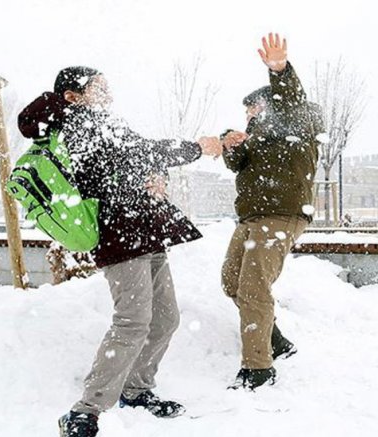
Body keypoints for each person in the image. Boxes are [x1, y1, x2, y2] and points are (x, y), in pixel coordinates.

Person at [17, 66, 223, 437]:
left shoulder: (101, 121)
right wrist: (197, 148)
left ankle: (137, 389)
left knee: (165, 318)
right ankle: (85, 411)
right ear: (73, 96)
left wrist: (157, 176)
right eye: (99, 87)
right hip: (119, 235)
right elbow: (139, 153)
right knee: (132, 321)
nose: (108, 93)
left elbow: (135, 160)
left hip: (144, 229)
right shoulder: (77, 123)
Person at [219, 33, 323, 390]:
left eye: (254, 109)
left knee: (252, 287)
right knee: (231, 281)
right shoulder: (258, 138)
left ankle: (258, 369)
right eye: (246, 112)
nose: (249, 115)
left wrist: (279, 71)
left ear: (272, 106)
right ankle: (275, 340)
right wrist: (230, 142)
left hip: (281, 215)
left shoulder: (297, 124)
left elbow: (292, 101)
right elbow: (237, 165)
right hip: (252, 217)